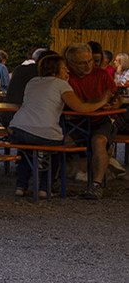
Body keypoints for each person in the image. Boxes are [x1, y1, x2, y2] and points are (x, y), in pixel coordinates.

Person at [9, 53, 108, 198]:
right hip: (43, 132)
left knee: (27, 149)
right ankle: (44, 188)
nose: (68, 71)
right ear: (54, 71)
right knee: (55, 151)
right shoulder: (61, 84)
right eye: (64, 68)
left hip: (17, 129)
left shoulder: (33, 81)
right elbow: (80, 107)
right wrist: (103, 100)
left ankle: (20, 187)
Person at [63, 42, 120, 199]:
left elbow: (116, 97)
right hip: (74, 121)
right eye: (82, 63)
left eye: (89, 61)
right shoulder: (66, 78)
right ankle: (47, 181)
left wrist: (115, 103)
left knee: (99, 142)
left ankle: (96, 185)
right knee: (58, 142)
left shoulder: (101, 75)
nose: (88, 65)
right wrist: (101, 102)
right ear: (71, 63)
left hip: (99, 121)